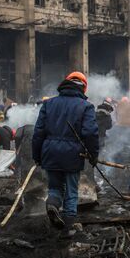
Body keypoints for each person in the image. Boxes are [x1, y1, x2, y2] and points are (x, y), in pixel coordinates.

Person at [33, 72, 99, 233]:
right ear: (83, 88)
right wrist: (93, 155)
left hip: (50, 151)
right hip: (73, 153)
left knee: (55, 188)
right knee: (71, 191)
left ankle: (52, 205)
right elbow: (90, 133)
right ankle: (68, 228)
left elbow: (38, 132)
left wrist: (37, 155)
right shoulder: (86, 106)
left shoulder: (49, 104)